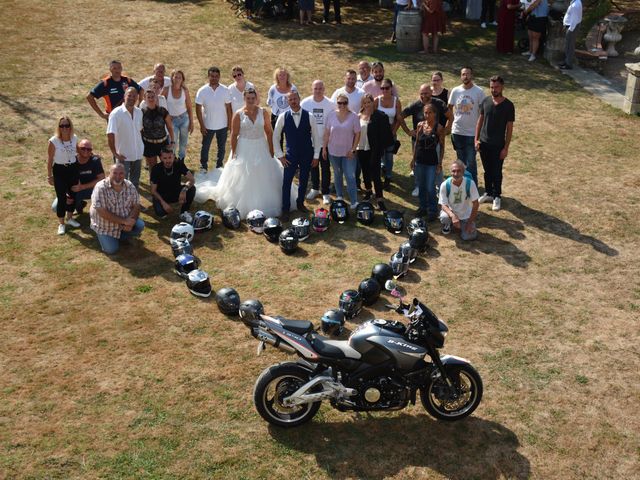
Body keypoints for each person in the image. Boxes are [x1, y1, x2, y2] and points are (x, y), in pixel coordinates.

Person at [211, 88, 295, 219]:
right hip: (244, 147)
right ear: (244, 99)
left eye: (252, 98)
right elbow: (234, 134)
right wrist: (234, 152)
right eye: (248, 98)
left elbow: (269, 132)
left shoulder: (263, 112)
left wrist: (271, 150)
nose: (250, 101)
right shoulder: (238, 114)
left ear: (256, 99)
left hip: (261, 145)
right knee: (243, 175)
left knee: (265, 173)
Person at [274, 91, 321, 221]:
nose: (293, 101)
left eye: (295, 98)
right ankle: (285, 209)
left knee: (304, 180)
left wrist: (316, 156)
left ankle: (300, 203)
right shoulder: (283, 116)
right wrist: (280, 156)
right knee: (286, 182)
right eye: (290, 99)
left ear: (299, 99)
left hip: (307, 154)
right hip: (290, 156)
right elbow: (275, 137)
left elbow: (317, 138)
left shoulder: (310, 116)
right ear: (288, 102)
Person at [399, 84, 450, 197]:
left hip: (434, 140)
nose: (423, 96)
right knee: (418, 163)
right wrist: (408, 131)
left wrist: (446, 130)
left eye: (426, 93)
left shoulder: (438, 103)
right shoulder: (415, 105)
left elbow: (450, 116)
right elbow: (400, 116)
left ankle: (438, 187)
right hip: (418, 140)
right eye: (421, 93)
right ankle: (418, 186)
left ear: (431, 93)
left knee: (437, 163)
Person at [475, 75, 514, 212]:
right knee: (487, 171)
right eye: (491, 87)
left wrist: (506, 148)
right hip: (484, 143)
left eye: (496, 87)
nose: (493, 89)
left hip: (498, 145)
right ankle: (488, 193)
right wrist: (476, 139)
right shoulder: (485, 101)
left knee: (497, 171)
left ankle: (497, 196)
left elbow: (509, 129)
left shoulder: (508, 106)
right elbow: (480, 121)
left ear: (502, 87)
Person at [90, 163, 145, 255]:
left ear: (125, 174)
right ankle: (106, 236)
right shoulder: (100, 188)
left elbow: (136, 205)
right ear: (109, 173)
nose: (118, 176)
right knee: (111, 250)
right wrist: (125, 222)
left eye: (121, 173)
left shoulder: (130, 185)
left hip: (124, 222)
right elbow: (102, 212)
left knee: (140, 225)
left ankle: (121, 235)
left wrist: (131, 220)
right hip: (105, 227)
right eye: (115, 173)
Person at [448, 67, 485, 186]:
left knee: (471, 162)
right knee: (461, 162)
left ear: (472, 75)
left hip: (472, 133)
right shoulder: (456, 91)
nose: (465, 76)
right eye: (463, 74)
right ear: (461, 76)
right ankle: (463, 185)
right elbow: (449, 108)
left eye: (467, 74)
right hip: (457, 131)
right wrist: (450, 125)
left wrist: (480, 132)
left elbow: (483, 112)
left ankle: (472, 186)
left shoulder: (479, 92)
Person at [323, 93, 361, 209]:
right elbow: (327, 133)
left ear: (347, 103)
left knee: (350, 176)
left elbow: (358, 134)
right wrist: (324, 148)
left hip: (348, 153)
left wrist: (353, 149)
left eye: (345, 103)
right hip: (333, 151)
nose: (342, 105)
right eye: (340, 103)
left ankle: (354, 201)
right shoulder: (331, 116)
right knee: (337, 174)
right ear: (337, 103)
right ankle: (339, 196)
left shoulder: (354, 116)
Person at [357, 93, 394, 211]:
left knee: (376, 174)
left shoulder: (380, 116)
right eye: (365, 102)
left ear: (373, 102)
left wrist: (379, 150)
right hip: (361, 148)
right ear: (362, 104)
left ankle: (379, 199)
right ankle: (368, 191)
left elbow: (384, 136)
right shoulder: (359, 116)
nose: (367, 105)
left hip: (374, 150)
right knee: (365, 171)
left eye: (369, 102)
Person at [302, 80, 335, 204]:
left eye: (320, 88)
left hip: (325, 143)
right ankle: (315, 188)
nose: (318, 90)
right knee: (313, 166)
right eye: (316, 88)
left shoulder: (330, 104)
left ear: (324, 89)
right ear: (312, 89)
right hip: (310, 142)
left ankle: (325, 192)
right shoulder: (305, 103)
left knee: (325, 167)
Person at [195, 67, 232, 173]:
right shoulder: (202, 91)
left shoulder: (225, 90)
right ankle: (203, 166)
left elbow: (229, 108)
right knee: (205, 147)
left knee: (222, 147)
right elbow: (198, 109)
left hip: (223, 125)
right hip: (208, 125)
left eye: (216, 76)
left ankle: (219, 165)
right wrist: (202, 125)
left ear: (219, 77)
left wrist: (229, 123)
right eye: (212, 76)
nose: (214, 78)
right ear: (208, 76)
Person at [411, 103, 444, 219]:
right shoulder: (420, 125)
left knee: (430, 187)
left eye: (430, 112)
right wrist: (413, 159)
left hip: (431, 162)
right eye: (425, 112)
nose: (427, 115)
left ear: (435, 114)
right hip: (420, 161)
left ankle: (433, 209)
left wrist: (440, 163)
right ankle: (423, 207)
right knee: (421, 185)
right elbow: (416, 144)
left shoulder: (439, 128)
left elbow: (442, 147)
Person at [106, 87, 144, 188]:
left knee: (135, 182)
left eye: (134, 96)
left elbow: (139, 130)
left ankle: (133, 201)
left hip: (137, 154)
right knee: (121, 182)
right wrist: (115, 153)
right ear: (124, 97)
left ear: (137, 97)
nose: (132, 98)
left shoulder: (139, 112)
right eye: (129, 95)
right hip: (123, 155)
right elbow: (110, 135)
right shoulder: (116, 114)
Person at [47, 116, 79, 235]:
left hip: (73, 169)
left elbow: (78, 152)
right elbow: (50, 160)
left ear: (70, 126)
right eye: (62, 126)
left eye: (67, 125)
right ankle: (61, 223)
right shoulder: (53, 141)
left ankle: (70, 218)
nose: (64, 128)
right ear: (59, 127)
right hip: (60, 170)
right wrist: (49, 176)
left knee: (72, 195)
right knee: (61, 198)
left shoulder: (74, 138)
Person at [62, 138, 105, 218]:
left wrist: (82, 187)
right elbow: (63, 179)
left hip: (91, 189)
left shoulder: (95, 161)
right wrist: (65, 194)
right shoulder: (71, 161)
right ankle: (79, 205)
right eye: (83, 148)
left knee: (103, 190)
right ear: (77, 149)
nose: (86, 151)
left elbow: (102, 179)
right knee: (56, 206)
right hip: (75, 190)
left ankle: (99, 212)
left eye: (89, 149)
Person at [438, 160, 479, 240]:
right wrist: (453, 216)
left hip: (465, 215)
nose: (456, 174)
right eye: (453, 171)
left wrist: (470, 223)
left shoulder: (470, 183)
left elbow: (476, 204)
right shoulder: (445, 185)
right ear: (450, 172)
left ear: (463, 172)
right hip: (451, 213)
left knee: (469, 237)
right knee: (444, 217)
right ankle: (449, 224)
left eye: (459, 171)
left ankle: (462, 225)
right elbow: (443, 205)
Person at [150, 147, 196, 218]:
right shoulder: (156, 169)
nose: (168, 160)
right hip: (162, 195)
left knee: (192, 188)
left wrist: (184, 190)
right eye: (165, 158)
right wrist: (163, 203)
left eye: (170, 157)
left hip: (176, 191)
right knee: (161, 214)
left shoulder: (179, 164)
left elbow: (192, 179)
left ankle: (184, 212)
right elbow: (153, 191)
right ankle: (163, 205)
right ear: (161, 158)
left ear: (174, 156)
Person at [374, 78, 402, 190]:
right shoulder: (377, 100)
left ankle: (388, 177)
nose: (384, 90)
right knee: (380, 155)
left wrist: (394, 132)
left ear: (391, 88)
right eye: (382, 88)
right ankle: (381, 170)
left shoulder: (396, 101)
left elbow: (398, 118)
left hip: (390, 132)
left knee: (389, 156)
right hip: (379, 133)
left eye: (387, 88)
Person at [163, 69, 194, 162]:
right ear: (172, 78)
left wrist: (191, 122)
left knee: (183, 142)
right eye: (175, 77)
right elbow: (159, 102)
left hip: (184, 119)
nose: (177, 79)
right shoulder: (166, 89)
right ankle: (173, 160)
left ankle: (181, 159)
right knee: (173, 141)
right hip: (171, 121)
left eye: (179, 77)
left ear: (182, 79)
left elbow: (189, 106)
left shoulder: (185, 91)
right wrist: (166, 115)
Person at [141, 89, 174, 172]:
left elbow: (170, 127)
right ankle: (154, 184)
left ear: (156, 98)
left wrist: (172, 141)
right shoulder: (141, 113)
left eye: (153, 97)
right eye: (149, 97)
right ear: (144, 99)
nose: (151, 99)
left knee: (168, 166)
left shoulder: (163, 111)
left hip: (163, 143)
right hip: (149, 144)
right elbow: (140, 129)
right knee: (153, 169)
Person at [559, 0, 582, 70]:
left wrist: (570, 30)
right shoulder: (575, 2)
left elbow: (574, 20)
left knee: (570, 46)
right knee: (567, 45)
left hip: (572, 27)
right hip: (571, 26)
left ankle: (569, 64)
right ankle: (566, 61)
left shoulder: (576, 5)